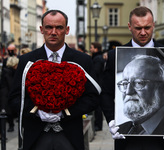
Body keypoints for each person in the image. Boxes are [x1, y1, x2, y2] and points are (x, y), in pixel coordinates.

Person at [9, 10, 99, 150]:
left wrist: (65, 112)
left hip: (70, 135)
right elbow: (15, 97)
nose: (53, 32)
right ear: (42, 29)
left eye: (59, 27)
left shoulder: (83, 60)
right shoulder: (27, 60)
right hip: (36, 135)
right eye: (49, 27)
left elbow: (93, 97)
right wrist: (37, 111)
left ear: (67, 30)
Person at [101, 6, 164, 150]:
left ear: (154, 25)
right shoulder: (113, 56)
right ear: (129, 26)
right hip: (125, 142)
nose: (143, 32)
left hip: (159, 141)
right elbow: (106, 93)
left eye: (147, 27)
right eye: (137, 28)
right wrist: (111, 120)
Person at [116, 55, 164, 135]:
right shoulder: (121, 130)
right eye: (125, 83)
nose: (128, 91)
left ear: (162, 87)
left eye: (139, 83)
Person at [0, 55, 19, 132]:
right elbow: (10, 84)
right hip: (6, 94)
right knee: (7, 111)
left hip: (6, 93)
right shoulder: (8, 72)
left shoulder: (7, 70)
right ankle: (10, 126)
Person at [90, 42, 105, 131]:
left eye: (92, 47)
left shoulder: (97, 58)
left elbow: (95, 72)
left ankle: (98, 125)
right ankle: (98, 124)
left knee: (98, 106)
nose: (90, 49)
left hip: (98, 85)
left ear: (96, 49)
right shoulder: (98, 57)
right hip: (99, 84)